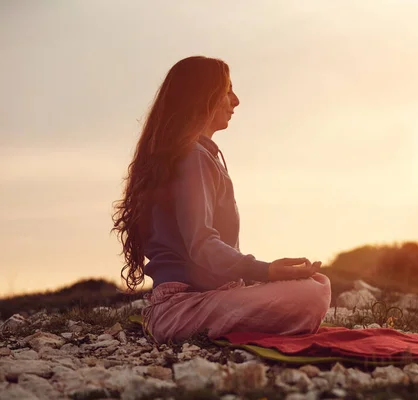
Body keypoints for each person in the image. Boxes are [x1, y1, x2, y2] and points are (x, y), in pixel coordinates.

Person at [112, 56, 331, 344]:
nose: (236, 100)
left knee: (313, 285)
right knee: (314, 291)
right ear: (203, 97)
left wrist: (264, 274)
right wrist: (265, 271)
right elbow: (202, 245)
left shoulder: (194, 156)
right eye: (227, 90)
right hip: (183, 309)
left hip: (196, 303)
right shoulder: (192, 158)